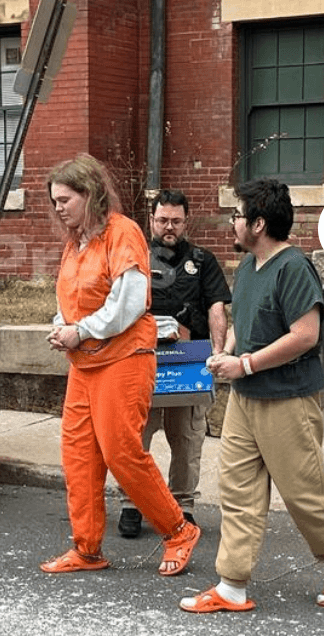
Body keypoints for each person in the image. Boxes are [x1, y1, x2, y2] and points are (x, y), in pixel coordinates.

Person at [39, 154, 200, 576]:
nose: (58, 207)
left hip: (124, 359)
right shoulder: (75, 241)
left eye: (64, 198)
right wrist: (62, 327)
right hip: (86, 361)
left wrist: (80, 331)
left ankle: (178, 529)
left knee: (121, 452)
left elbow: (129, 303)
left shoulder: (123, 232)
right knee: (78, 455)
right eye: (54, 200)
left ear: (89, 194)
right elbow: (67, 299)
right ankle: (87, 548)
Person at [181, 179, 324, 613]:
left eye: (237, 216)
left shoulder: (294, 267)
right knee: (238, 492)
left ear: (259, 223)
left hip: (289, 398)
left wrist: (245, 364)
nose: (233, 224)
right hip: (245, 399)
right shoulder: (247, 267)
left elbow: (306, 335)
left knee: (307, 494)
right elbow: (245, 321)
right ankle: (232, 586)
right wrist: (225, 353)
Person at [117, 189, 231, 538]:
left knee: (187, 439)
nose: (169, 227)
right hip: (140, 361)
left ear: (186, 221)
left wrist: (218, 352)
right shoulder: (132, 256)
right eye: (163, 220)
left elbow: (216, 307)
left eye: (176, 221)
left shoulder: (203, 260)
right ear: (151, 220)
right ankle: (131, 503)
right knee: (135, 437)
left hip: (188, 361)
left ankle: (183, 506)